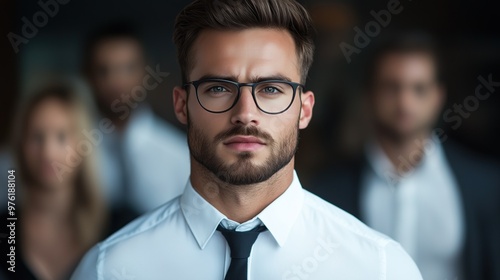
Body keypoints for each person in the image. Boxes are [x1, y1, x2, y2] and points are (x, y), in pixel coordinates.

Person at [71, 1, 422, 279]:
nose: (245, 113)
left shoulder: (381, 268)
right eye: (219, 88)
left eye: (270, 89)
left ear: (304, 109)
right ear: (182, 105)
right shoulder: (108, 270)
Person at [311, 33, 500, 280]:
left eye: (419, 89)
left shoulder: (485, 185)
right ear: (369, 95)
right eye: (391, 87)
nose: (405, 101)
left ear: (437, 97)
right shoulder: (328, 191)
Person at [0, 81, 107, 280]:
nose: (48, 153)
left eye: (61, 136)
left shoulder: (116, 227)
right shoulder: (4, 229)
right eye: (36, 137)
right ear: (20, 144)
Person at [83, 23, 190, 214]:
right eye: (103, 70)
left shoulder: (180, 155)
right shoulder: (69, 152)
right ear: (88, 76)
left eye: (127, 68)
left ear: (145, 72)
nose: (116, 82)